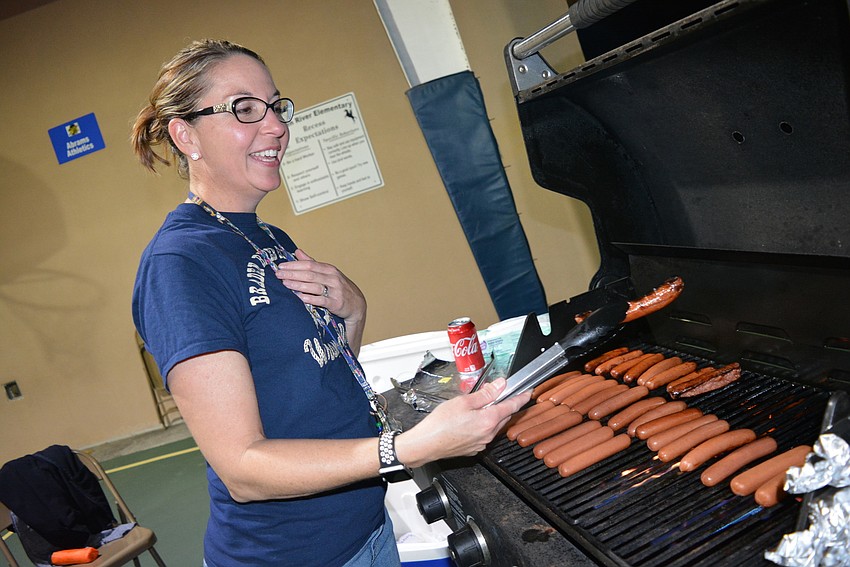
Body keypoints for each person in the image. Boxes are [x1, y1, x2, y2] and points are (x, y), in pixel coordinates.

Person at [130, 39, 530, 567]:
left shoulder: (265, 234)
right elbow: (243, 469)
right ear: (186, 135)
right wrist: (406, 449)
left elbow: (315, 373)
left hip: (364, 528)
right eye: (244, 108)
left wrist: (355, 310)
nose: (275, 126)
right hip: (292, 554)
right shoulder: (180, 263)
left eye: (275, 106)